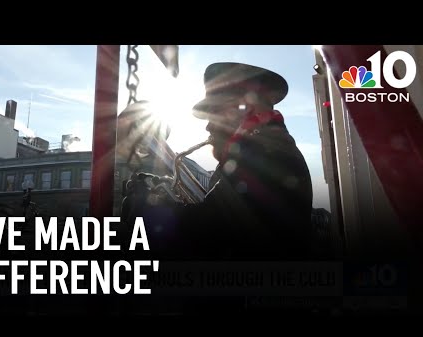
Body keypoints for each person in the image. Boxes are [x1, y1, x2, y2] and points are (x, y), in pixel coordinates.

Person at [122, 62, 314, 261]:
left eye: (215, 113)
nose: (208, 126)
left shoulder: (265, 156)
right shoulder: (265, 150)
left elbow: (204, 235)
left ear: (244, 108)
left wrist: (149, 209)